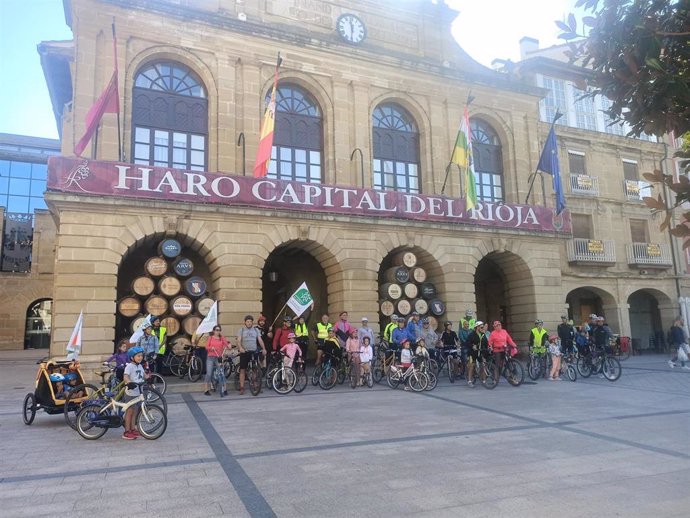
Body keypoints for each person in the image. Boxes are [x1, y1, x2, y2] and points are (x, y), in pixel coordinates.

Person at [237, 315, 266, 395]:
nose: (249, 323)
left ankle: (256, 385)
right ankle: (242, 387)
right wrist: (240, 348)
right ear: (245, 322)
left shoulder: (256, 330)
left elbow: (260, 340)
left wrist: (263, 348)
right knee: (242, 370)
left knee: (254, 370)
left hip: (253, 352)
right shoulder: (241, 330)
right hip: (244, 352)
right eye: (247, 322)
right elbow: (239, 340)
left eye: (250, 322)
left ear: (252, 322)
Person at [122, 346, 146, 440]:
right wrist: (128, 382)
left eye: (141, 356)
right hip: (131, 393)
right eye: (138, 356)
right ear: (132, 357)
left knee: (135, 411)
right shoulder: (130, 366)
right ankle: (127, 431)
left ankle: (133, 429)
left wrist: (148, 377)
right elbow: (126, 376)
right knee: (130, 412)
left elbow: (143, 375)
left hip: (138, 392)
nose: (140, 357)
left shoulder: (139, 365)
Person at [204, 325, 229, 397]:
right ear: (213, 331)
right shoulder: (210, 338)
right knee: (209, 373)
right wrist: (211, 348)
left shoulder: (222, 338)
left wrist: (229, 346)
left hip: (219, 357)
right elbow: (206, 347)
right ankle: (206, 389)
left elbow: (227, 344)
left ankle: (225, 389)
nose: (217, 331)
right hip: (210, 357)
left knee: (222, 373)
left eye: (219, 330)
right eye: (216, 330)